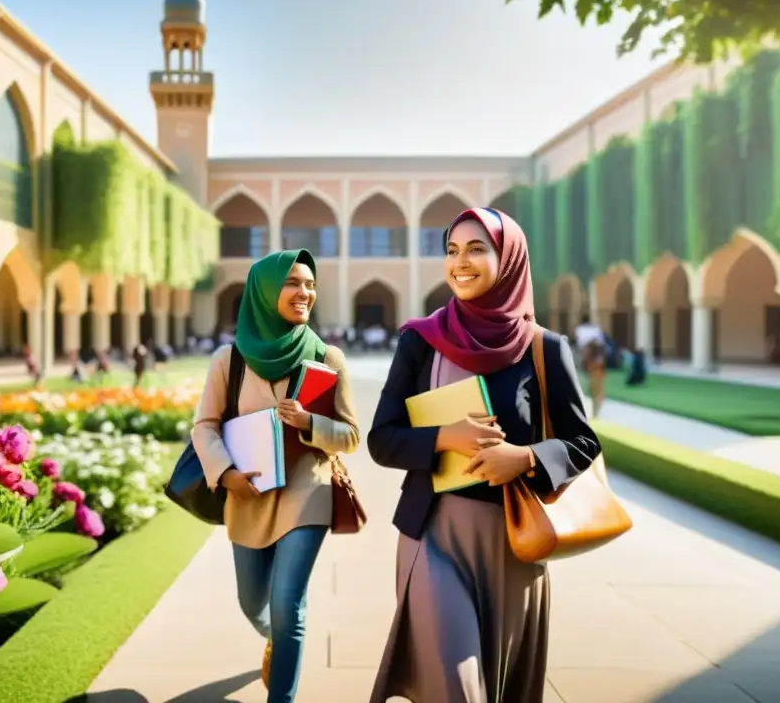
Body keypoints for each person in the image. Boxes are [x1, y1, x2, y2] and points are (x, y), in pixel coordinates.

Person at [367, 208, 601, 703]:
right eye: (452, 250)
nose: (461, 262)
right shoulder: (420, 341)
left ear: (509, 258)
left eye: (477, 249)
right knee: (459, 688)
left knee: (502, 687)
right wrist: (441, 438)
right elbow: (381, 439)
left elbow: (584, 443)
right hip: (433, 534)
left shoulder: (543, 348)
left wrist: (526, 458)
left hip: (512, 541)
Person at [191, 249, 360, 702]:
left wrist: (310, 424)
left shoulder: (327, 358)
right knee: (254, 603)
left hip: (308, 491)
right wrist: (225, 474)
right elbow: (204, 426)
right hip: (247, 493)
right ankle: (275, 640)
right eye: (292, 283)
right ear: (265, 292)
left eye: (309, 284)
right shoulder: (230, 361)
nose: (304, 292)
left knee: (289, 606)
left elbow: (351, 436)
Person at [574, 313, 607, 417]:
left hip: (590, 361)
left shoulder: (581, 330)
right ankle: (595, 413)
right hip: (593, 361)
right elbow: (601, 345)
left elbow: (581, 346)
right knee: (596, 389)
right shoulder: (595, 330)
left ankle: (594, 412)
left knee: (594, 388)